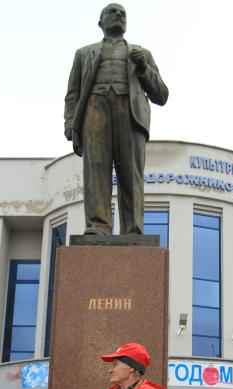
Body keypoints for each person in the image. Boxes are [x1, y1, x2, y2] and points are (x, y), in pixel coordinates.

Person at [64, 4, 169, 235]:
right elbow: (72, 94)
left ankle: (133, 229)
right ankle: (97, 226)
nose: (119, 15)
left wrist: (144, 68)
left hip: (130, 114)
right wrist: (70, 122)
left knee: (131, 174)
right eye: (112, 12)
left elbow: (161, 95)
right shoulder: (84, 53)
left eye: (123, 13)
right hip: (95, 110)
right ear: (100, 22)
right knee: (96, 170)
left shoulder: (141, 54)